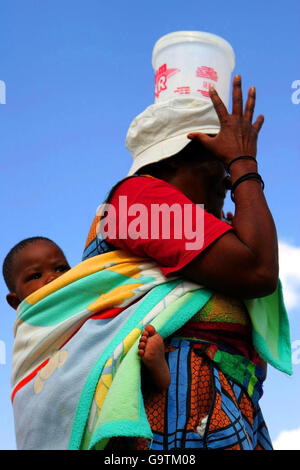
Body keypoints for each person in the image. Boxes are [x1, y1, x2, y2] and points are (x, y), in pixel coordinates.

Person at [83, 75, 277, 450]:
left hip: (222, 405)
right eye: (218, 162)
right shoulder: (135, 201)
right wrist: (244, 162)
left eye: (228, 166)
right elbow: (258, 270)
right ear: (170, 161)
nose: (227, 180)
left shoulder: (204, 225)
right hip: (175, 407)